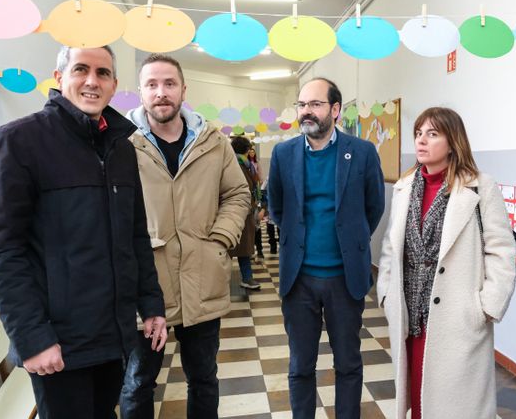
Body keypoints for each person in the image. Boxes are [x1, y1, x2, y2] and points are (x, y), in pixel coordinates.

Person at [0, 46, 167, 419]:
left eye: (103, 73)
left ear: (114, 86)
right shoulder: (18, 141)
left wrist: (152, 305)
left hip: (113, 334)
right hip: (57, 345)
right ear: (60, 77)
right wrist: (33, 338)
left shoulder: (121, 149)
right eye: (81, 69)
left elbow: (135, 237)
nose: (92, 81)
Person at [120, 53, 251, 418]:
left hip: (201, 278)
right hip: (146, 286)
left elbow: (238, 194)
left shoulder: (213, 141)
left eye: (169, 83)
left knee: (204, 377)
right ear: (140, 92)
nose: (161, 92)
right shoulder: (122, 143)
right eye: (152, 84)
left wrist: (219, 240)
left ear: (183, 89)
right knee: (139, 380)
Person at [377, 107, 516, 419]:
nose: (421, 141)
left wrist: (486, 306)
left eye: (432, 133)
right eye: (418, 133)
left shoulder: (480, 187)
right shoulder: (403, 187)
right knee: (419, 398)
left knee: (456, 405)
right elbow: (390, 248)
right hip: (411, 315)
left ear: (453, 142)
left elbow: (501, 250)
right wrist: (386, 294)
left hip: (458, 317)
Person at [267, 77, 386, 418]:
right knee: (300, 366)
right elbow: (277, 208)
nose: (306, 112)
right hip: (298, 278)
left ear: (335, 109)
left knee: (347, 363)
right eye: (302, 104)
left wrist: (351, 241)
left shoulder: (361, 152)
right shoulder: (283, 153)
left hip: (344, 279)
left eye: (315, 104)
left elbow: (372, 208)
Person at [230, 136, 262, 290]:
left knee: (243, 247)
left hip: (245, 211)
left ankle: (247, 277)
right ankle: (225, 280)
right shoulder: (236, 164)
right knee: (230, 247)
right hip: (235, 212)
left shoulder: (245, 164)